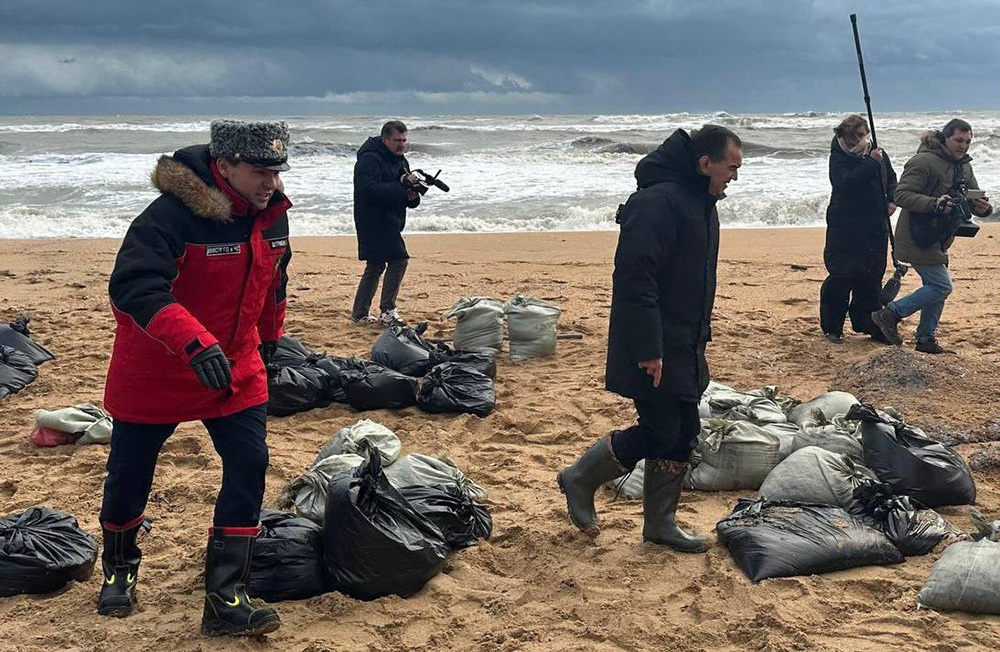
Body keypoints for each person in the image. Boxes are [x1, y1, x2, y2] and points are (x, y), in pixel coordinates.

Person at [99, 120, 293, 637]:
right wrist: (192, 340)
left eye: (276, 171)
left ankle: (226, 595)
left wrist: (270, 343)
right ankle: (119, 569)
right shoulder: (169, 216)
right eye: (259, 171)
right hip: (159, 363)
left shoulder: (273, 215)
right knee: (129, 472)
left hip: (235, 365)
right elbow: (133, 285)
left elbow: (274, 282)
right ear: (223, 166)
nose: (270, 182)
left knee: (250, 463)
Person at [557, 125, 742, 552]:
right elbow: (635, 281)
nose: (734, 176)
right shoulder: (657, 202)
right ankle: (579, 476)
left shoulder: (702, 202)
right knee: (660, 430)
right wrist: (649, 349)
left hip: (686, 339)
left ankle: (660, 524)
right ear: (704, 163)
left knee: (684, 432)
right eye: (730, 168)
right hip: (653, 341)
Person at [872, 119, 992, 354]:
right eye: (959, 140)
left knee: (935, 287)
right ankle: (890, 313)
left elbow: (972, 196)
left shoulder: (964, 165)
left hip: (939, 236)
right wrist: (934, 204)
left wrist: (983, 208)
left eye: (968, 141)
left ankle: (925, 339)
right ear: (945, 138)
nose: (964, 146)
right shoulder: (924, 161)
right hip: (916, 235)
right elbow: (902, 195)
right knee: (941, 286)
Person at [820, 114, 897, 344]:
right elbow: (846, 183)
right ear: (843, 137)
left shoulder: (879, 155)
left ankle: (868, 323)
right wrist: (870, 163)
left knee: (871, 277)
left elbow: (890, 179)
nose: (858, 142)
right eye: (853, 138)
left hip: (875, 225)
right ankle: (833, 327)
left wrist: (891, 200)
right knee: (842, 277)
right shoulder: (839, 157)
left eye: (862, 135)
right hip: (845, 227)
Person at [351, 120, 421, 325]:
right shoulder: (369, 159)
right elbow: (368, 191)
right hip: (372, 220)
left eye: (404, 140)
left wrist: (412, 195)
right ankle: (387, 310)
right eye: (397, 140)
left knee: (375, 265)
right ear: (385, 139)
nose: (401, 144)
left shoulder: (401, 160)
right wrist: (401, 187)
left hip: (391, 219)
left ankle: (360, 314)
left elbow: (408, 199)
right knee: (399, 260)